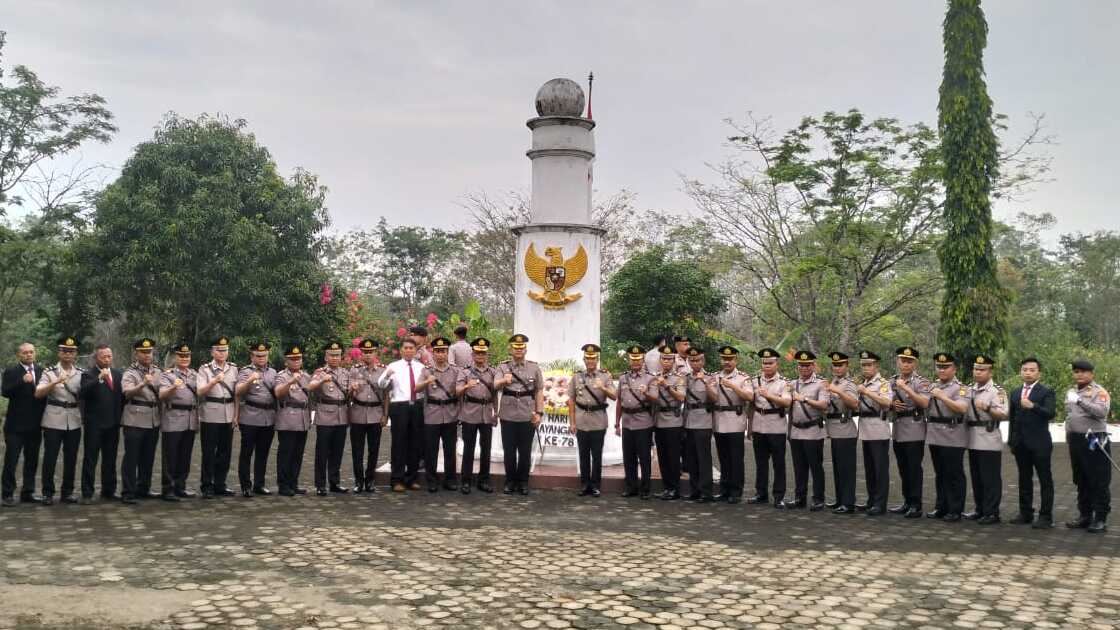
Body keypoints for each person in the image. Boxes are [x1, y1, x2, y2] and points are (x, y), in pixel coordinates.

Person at [1007, 357, 1056, 529]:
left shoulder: (1046, 392)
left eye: (1032, 370)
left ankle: (1045, 516)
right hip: (1021, 444)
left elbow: (1050, 413)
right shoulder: (1014, 392)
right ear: (1020, 371)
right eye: (1025, 369)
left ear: (1039, 373)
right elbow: (1012, 419)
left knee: (1045, 479)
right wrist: (1011, 441)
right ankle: (1025, 512)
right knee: (1024, 478)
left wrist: (1033, 406)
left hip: (1040, 443)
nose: (1028, 373)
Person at [1064, 358, 1111, 533]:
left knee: (1098, 480)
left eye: (1083, 371)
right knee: (1081, 479)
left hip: (1095, 440)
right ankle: (1085, 515)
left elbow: (1101, 412)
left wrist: (1080, 401)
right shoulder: (1071, 392)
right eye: (1076, 372)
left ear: (1091, 374)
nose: (1080, 374)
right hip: (1076, 440)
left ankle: (1100, 518)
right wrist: (1069, 434)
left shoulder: (1100, 392)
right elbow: (1069, 415)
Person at [35, 336, 84, 506]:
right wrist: (55, 382)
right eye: (64, 351)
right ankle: (47, 493)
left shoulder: (80, 373)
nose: (68, 354)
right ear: (59, 352)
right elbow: (39, 393)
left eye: (71, 351)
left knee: (71, 458)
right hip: (53, 419)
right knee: (50, 457)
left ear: (75, 353)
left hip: (74, 419)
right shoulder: (49, 372)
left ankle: (67, 492)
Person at [963, 354, 1009, 525]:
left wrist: (989, 408)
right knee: (976, 477)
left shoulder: (997, 391)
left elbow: (1003, 414)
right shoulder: (969, 389)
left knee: (990, 478)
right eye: (976, 369)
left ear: (990, 371)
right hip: (972, 437)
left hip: (988, 438)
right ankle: (980, 509)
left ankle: (992, 512)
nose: (978, 372)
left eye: (982, 369)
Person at [495, 333, 543, 496]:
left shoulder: (534, 368)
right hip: (508, 414)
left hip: (527, 413)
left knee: (525, 450)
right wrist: (503, 381)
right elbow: (495, 385)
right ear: (510, 349)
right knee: (509, 450)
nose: (518, 350)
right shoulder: (502, 367)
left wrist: (539, 412)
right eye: (516, 347)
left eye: (521, 347)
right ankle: (510, 481)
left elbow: (539, 391)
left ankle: (523, 482)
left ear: (526, 349)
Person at [378, 338, 426, 492]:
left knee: (415, 444)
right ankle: (397, 479)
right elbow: (381, 384)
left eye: (412, 348)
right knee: (399, 444)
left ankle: (411, 479)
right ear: (401, 350)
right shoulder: (393, 366)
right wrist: (387, 376)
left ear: (416, 350)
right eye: (406, 348)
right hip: (400, 407)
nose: (409, 350)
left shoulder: (421, 367)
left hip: (417, 406)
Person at [2, 342, 47, 506]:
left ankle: (28, 492)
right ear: (19, 355)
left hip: (35, 426)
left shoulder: (42, 371)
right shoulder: (12, 372)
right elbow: (5, 391)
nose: (29, 355)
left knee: (32, 460)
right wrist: (22, 381)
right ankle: (7, 493)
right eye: (25, 353)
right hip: (15, 426)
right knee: (11, 460)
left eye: (31, 352)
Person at [568, 343, 615, 498]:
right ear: (584, 359)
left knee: (596, 455)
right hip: (581, 419)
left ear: (597, 359)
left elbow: (614, 396)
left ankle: (595, 485)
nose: (590, 361)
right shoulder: (576, 377)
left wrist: (603, 388)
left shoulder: (605, 376)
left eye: (593, 358)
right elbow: (571, 401)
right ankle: (584, 484)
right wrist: (572, 422)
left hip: (598, 421)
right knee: (583, 454)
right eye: (587, 358)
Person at [79, 343, 124, 503]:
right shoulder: (88, 374)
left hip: (113, 423)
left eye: (109, 356)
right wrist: (98, 379)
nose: (107, 359)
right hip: (94, 425)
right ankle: (87, 492)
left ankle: (109, 490)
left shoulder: (118, 374)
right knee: (91, 458)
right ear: (96, 358)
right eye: (103, 356)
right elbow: (82, 392)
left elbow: (122, 398)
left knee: (110, 458)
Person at [786, 350, 830, 511]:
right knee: (799, 467)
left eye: (807, 365)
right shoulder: (792, 384)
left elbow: (824, 405)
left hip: (813, 430)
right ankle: (800, 498)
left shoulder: (821, 383)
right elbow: (789, 410)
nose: (803, 368)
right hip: (796, 430)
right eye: (801, 365)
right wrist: (789, 431)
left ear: (813, 365)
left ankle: (818, 499)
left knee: (815, 466)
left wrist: (804, 398)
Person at [888, 346, 929, 518]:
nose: (905, 364)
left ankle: (916, 504)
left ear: (915, 363)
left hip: (914, 428)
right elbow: (885, 399)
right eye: (903, 361)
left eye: (909, 361)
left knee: (913, 468)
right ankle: (907, 501)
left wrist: (906, 389)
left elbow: (925, 403)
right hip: (898, 428)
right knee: (903, 468)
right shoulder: (892, 381)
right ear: (898, 362)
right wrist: (891, 405)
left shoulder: (921, 382)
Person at [747, 348, 791, 508]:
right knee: (760, 463)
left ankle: (779, 496)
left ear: (777, 364)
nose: (766, 366)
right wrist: (749, 426)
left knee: (779, 464)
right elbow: (751, 406)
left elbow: (787, 402)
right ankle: (761, 494)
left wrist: (768, 395)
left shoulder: (784, 383)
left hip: (776, 427)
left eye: (770, 363)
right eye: (764, 363)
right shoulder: (754, 380)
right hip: (759, 426)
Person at [120, 338, 162, 504]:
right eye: (143, 352)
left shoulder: (158, 371)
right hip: (135, 418)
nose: (147, 355)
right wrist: (143, 383)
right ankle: (128, 491)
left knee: (148, 456)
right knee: (131, 457)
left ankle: (144, 488)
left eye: (149, 352)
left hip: (153, 418)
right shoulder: (130, 373)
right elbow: (127, 393)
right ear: (136, 353)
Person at [456, 337, 500, 494]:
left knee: (486, 449)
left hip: (487, 413)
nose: (480, 356)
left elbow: (495, 394)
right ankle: (466, 481)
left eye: (483, 354)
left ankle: (484, 480)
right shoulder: (465, 371)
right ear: (472, 355)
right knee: (469, 448)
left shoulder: (493, 372)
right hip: (470, 412)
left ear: (487, 355)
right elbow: (457, 391)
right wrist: (468, 385)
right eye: (477, 353)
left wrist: (496, 412)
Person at [709, 346, 751, 504]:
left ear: (736, 360)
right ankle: (724, 489)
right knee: (723, 458)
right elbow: (712, 398)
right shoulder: (714, 376)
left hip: (735, 421)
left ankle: (736, 491)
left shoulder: (743, 377)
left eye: (730, 359)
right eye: (724, 359)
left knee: (736, 459)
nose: (727, 362)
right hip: (719, 421)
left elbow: (749, 397)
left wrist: (732, 386)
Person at [235, 341, 277, 497]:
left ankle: (259, 484)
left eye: (264, 355)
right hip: (250, 416)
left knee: (263, 453)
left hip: (268, 417)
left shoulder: (273, 372)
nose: (261, 358)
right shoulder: (245, 371)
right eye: (258, 355)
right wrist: (250, 380)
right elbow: (238, 391)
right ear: (252, 356)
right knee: (246, 453)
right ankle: (246, 485)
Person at [418, 337, 460, 492]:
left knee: (450, 449)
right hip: (432, 414)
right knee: (431, 450)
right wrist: (427, 381)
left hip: (450, 413)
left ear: (447, 352)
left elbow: (460, 392)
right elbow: (416, 388)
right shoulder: (426, 370)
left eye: (443, 351)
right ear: (433, 353)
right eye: (437, 351)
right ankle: (431, 480)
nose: (440, 354)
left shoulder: (456, 371)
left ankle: (450, 479)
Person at [196, 336, 237, 498]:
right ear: (212, 352)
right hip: (211, 415)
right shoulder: (204, 369)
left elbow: (237, 395)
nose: (222, 353)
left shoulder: (234, 369)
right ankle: (207, 485)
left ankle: (220, 484)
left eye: (225, 350)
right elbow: (199, 392)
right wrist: (213, 381)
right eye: (219, 350)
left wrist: (236, 415)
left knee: (225, 452)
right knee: (208, 452)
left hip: (228, 414)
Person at [158, 342, 198, 501]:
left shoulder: (194, 375)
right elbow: (162, 395)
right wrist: (173, 387)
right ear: (175, 357)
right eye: (181, 356)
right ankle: (168, 489)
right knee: (170, 456)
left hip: (190, 418)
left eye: (187, 356)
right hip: (173, 417)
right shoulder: (167, 375)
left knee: (185, 455)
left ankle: (181, 486)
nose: (184, 358)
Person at [309, 341, 351, 496]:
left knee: (337, 451)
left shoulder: (345, 373)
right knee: (322, 452)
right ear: (326, 357)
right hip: (325, 416)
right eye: (331, 355)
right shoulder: (320, 372)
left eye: (337, 355)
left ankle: (334, 482)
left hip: (342, 415)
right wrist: (321, 379)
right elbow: (310, 387)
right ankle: (320, 484)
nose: (334, 358)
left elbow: (348, 394)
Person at [854, 351, 892, 516]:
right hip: (865, 430)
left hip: (878, 430)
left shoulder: (882, 383)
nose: (866, 368)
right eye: (863, 365)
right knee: (869, 469)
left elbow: (887, 402)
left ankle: (880, 503)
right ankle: (871, 500)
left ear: (876, 366)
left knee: (880, 469)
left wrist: (866, 392)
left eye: (869, 365)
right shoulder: (863, 383)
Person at [616, 345, 656, 499]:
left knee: (644, 458)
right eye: (633, 359)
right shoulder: (623, 378)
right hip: (627, 422)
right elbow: (619, 401)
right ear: (629, 361)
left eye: (638, 359)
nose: (635, 362)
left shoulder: (650, 378)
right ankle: (631, 487)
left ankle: (645, 489)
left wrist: (646, 392)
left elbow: (655, 399)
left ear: (643, 359)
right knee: (628, 457)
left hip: (643, 422)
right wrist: (616, 423)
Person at [348, 338, 388, 493]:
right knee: (357, 450)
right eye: (365, 352)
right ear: (361, 354)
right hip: (358, 413)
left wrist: (385, 415)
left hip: (376, 414)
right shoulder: (354, 370)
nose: (368, 355)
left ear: (376, 352)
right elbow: (348, 395)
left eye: (371, 352)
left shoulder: (382, 371)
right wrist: (352, 389)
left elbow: (386, 396)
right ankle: (358, 481)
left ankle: (370, 480)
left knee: (374, 449)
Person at [823, 352, 859, 515]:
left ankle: (848, 502)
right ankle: (840, 499)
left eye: (840, 365)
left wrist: (836, 390)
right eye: (835, 365)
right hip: (834, 428)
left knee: (846, 469)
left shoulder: (849, 384)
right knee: (837, 468)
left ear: (847, 366)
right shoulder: (834, 382)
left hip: (845, 429)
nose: (837, 368)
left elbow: (854, 403)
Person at [274, 344, 311, 496]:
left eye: (298, 359)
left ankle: (293, 483)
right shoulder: (281, 376)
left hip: (302, 418)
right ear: (286, 361)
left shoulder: (306, 376)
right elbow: (277, 393)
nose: (296, 361)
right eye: (292, 359)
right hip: (287, 419)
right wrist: (290, 382)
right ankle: (283, 485)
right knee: (286, 453)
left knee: (298, 453)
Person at [651, 346, 685, 500]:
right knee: (663, 457)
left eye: (669, 359)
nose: (666, 361)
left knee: (673, 457)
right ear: (660, 360)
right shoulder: (655, 376)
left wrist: (665, 385)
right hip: (658, 420)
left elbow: (681, 397)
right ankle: (667, 487)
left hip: (673, 420)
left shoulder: (680, 377)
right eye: (664, 359)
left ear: (674, 360)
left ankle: (675, 489)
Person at [682, 347, 714, 502]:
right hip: (688, 421)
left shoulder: (710, 377)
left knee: (704, 459)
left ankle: (706, 491)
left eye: (698, 360)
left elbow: (715, 398)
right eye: (692, 360)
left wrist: (704, 381)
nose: (695, 363)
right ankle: (694, 490)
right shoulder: (686, 377)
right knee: (691, 459)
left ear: (703, 360)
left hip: (703, 421)